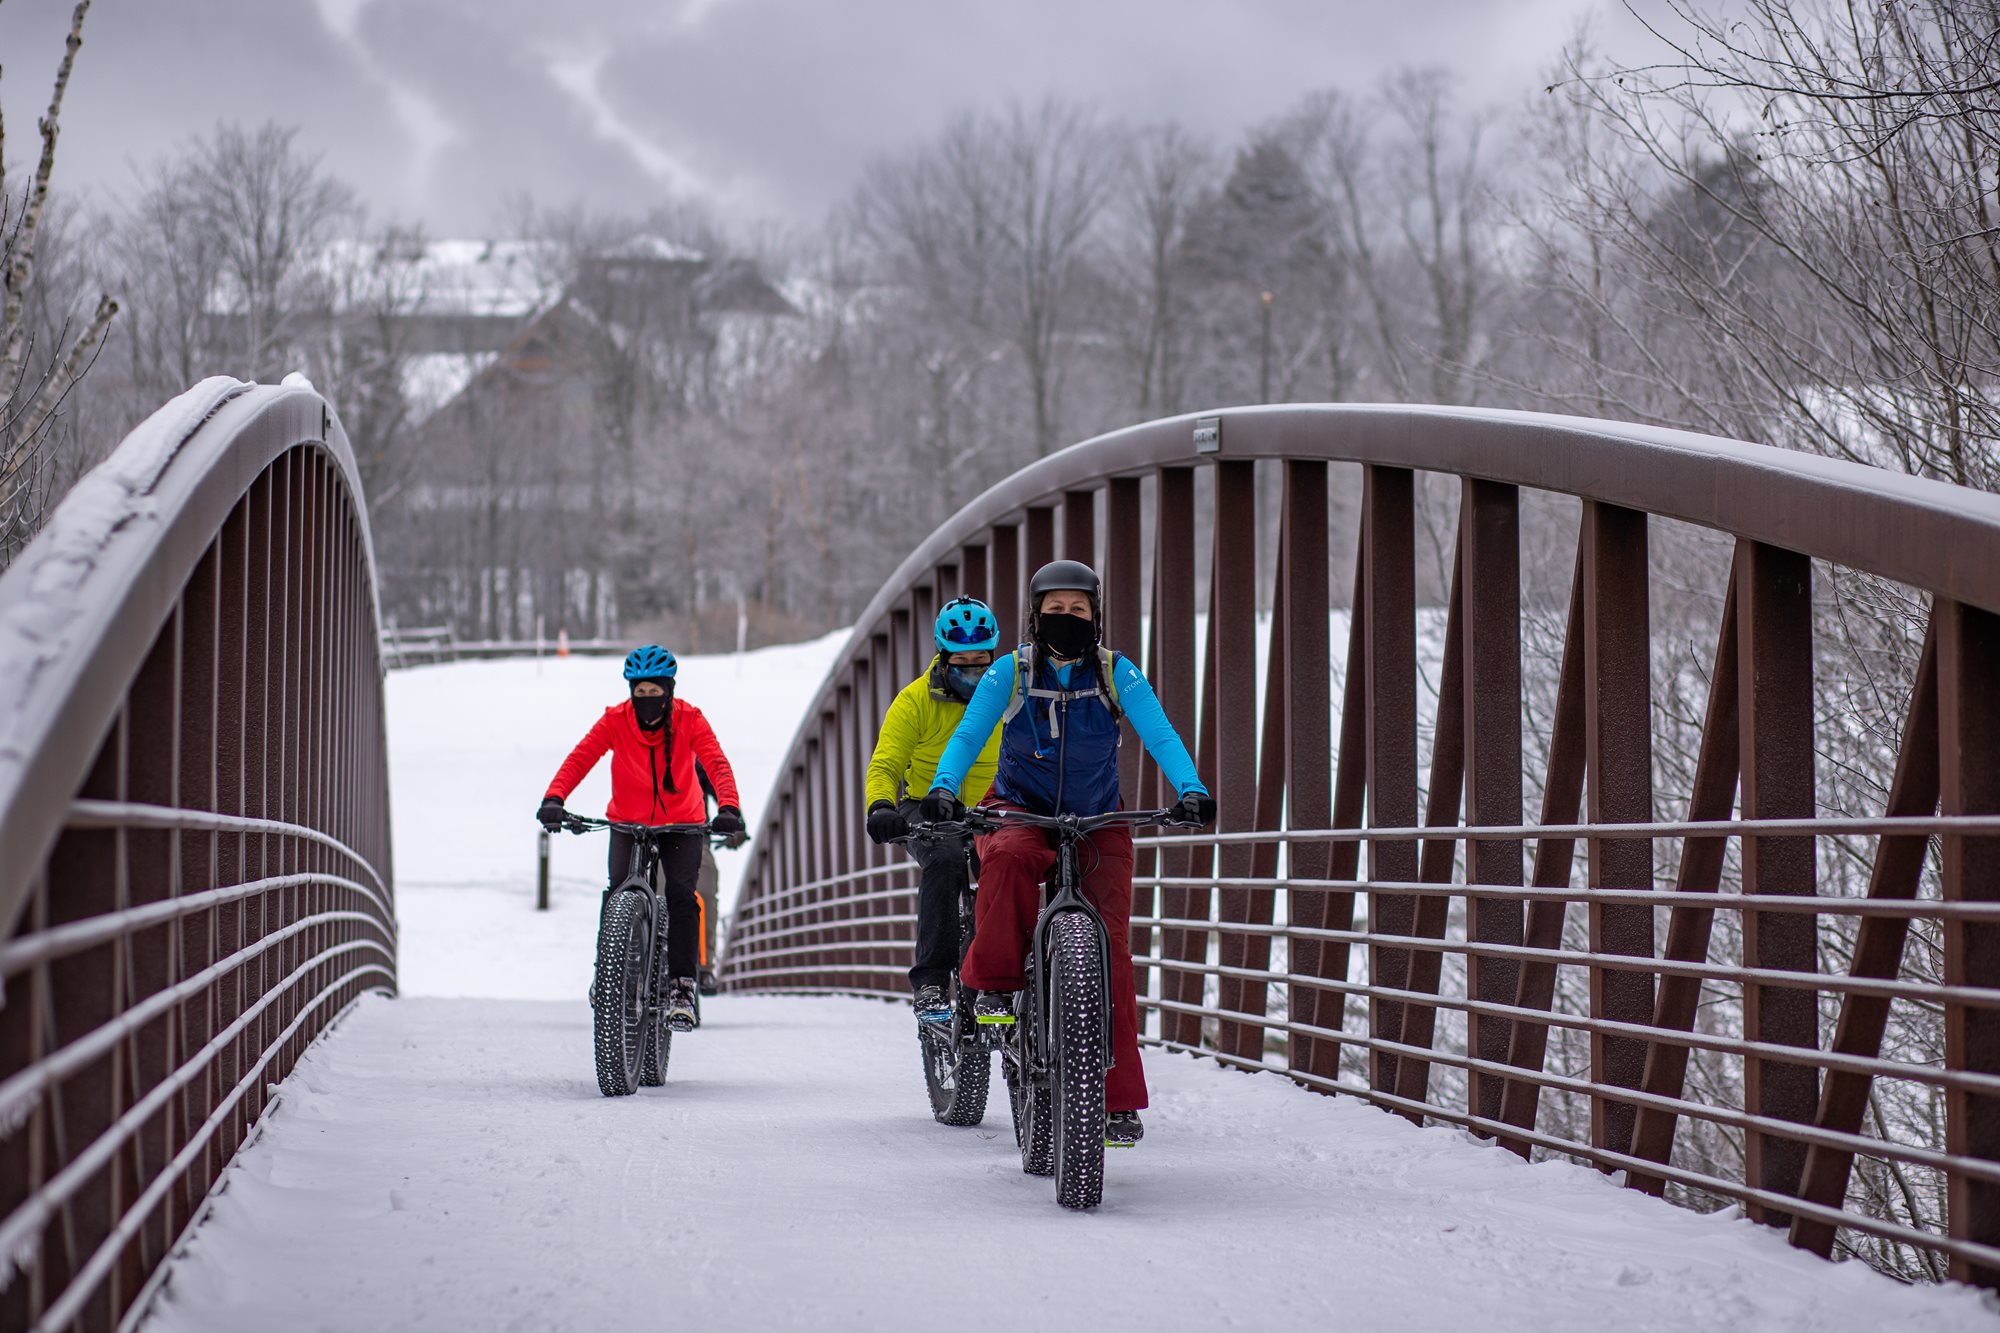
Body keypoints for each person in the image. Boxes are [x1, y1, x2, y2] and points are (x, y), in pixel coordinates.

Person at [922, 561, 1215, 1146]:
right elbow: (968, 735)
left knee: (1113, 952)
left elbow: (1160, 734)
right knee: (1006, 858)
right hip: (1019, 804)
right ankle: (995, 987)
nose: (1066, 619)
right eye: (1055, 610)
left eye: (1078, 610)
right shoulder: (1010, 671)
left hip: (1098, 816)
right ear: (1036, 615)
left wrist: (1191, 789)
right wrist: (946, 789)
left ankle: (1114, 1102)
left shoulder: (1115, 672)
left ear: (1095, 616)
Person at [538, 645, 746, 1030]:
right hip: (628, 822)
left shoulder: (689, 719)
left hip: (682, 823)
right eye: (640, 693)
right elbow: (581, 757)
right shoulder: (616, 721)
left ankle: (682, 985)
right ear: (630, 691)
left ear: (669, 690)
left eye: (655, 693)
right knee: (617, 891)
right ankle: (609, 972)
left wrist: (728, 807)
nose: (647, 702)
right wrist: (555, 797)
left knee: (682, 898)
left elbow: (715, 762)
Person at [863, 596, 1004, 1022]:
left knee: (1008, 869)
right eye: (962, 663)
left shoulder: (1010, 694)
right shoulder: (914, 701)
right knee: (943, 862)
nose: (974, 673)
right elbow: (886, 763)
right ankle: (931, 982)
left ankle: (1004, 980)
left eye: (982, 662)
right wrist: (881, 806)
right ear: (943, 658)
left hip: (993, 806)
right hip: (925, 806)